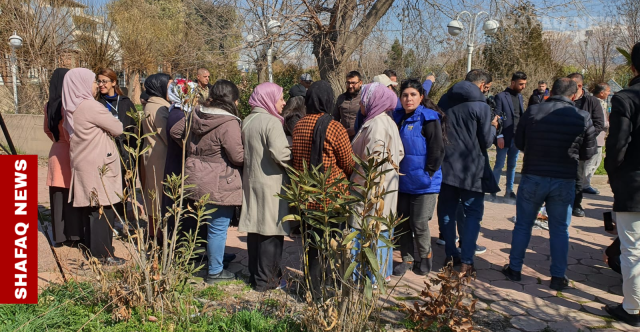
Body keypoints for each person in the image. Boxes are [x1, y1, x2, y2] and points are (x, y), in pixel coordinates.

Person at [501, 78, 597, 291]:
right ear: (574, 95)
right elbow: (588, 153)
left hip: (534, 175)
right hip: (564, 178)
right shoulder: (582, 117)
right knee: (560, 229)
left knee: (523, 225)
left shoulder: (533, 112)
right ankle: (557, 276)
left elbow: (519, 142)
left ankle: (514, 269)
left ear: (551, 91)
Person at [170, 80, 244, 284]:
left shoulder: (195, 112)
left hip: (194, 174)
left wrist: (194, 151)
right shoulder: (229, 123)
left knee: (206, 222)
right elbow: (237, 156)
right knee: (218, 226)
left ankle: (215, 258)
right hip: (219, 177)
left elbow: (175, 132)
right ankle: (215, 271)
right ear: (232, 100)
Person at [292, 80, 354, 296]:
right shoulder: (335, 126)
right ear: (328, 100)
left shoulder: (299, 125)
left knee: (312, 243)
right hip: (332, 195)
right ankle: (333, 285)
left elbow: (296, 160)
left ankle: (313, 287)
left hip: (307, 193)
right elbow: (347, 161)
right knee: (334, 242)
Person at [436, 69, 496, 275]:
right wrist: (494, 127)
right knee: (472, 213)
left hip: (447, 165)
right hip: (472, 167)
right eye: (486, 88)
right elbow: (486, 141)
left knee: (446, 211)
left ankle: (451, 254)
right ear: (481, 85)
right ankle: (468, 260)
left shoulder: (444, 100)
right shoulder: (481, 106)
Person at [63, 68, 125, 265]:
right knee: (102, 209)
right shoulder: (91, 106)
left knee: (92, 209)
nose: (97, 85)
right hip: (99, 165)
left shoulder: (71, 107)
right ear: (82, 84)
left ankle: (93, 249)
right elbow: (118, 128)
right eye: (93, 82)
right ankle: (104, 254)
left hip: (84, 162)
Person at [238, 82, 291, 291]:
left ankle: (255, 275)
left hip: (252, 181)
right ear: (269, 98)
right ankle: (268, 281)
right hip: (272, 183)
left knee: (255, 230)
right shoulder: (271, 122)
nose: (283, 102)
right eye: (280, 98)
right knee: (271, 232)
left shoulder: (248, 120)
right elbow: (281, 154)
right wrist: (297, 157)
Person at [349, 82, 404, 283]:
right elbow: (400, 153)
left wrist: (355, 178)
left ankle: (366, 278)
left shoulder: (376, 125)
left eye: (363, 99)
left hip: (369, 190)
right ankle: (381, 273)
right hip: (385, 188)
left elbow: (372, 160)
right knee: (381, 231)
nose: (360, 104)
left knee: (366, 231)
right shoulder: (387, 121)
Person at [390, 79, 444, 277]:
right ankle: (407, 259)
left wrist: (428, 173)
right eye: (404, 95)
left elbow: (437, 149)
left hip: (425, 183)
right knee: (403, 223)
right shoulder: (397, 118)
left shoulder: (429, 118)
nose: (408, 99)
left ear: (421, 97)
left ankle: (426, 257)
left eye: (413, 95)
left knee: (419, 223)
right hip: (403, 181)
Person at [603, 42, 640, 327]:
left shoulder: (626, 98)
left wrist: (615, 176)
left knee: (633, 249)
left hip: (634, 185)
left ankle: (632, 308)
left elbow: (616, 146)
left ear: (633, 67)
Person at [43, 68, 83, 247]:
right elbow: (71, 132)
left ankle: (58, 237)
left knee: (57, 197)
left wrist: (57, 140)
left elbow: (46, 129)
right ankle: (73, 235)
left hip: (55, 151)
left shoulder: (49, 104)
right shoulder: (68, 105)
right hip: (69, 152)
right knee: (71, 196)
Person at [568, 73, 605, 217]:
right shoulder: (565, 99)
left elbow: (599, 123)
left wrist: (585, 138)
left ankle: (576, 204)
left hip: (581, 147)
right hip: (563, 146)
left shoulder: (591, 101)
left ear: (579, 86)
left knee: (578, 177)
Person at [140, 73, 172, 222]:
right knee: (158, 198)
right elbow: (168, 135)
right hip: (161, 158)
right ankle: (158, 236)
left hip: (154, 155)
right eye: (169, 86)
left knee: (153, 196)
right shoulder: (159, 109)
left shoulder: (151, 105)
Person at [492, 71, 527, 200]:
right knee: (499, 165)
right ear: (513, 82)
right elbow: (497, 116)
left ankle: (509, 190)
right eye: (521, 84)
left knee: (512, 165)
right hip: (504, 137)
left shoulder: (520, 97)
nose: (523, 87)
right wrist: (499, 136)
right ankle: (493, 190)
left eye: (524, 84)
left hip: (516, 137)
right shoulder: (501, 96)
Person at [583, 82, 611, 195]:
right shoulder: (596, 103)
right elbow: (601, 122)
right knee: (591, 162)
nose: (609, 93)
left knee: (594, 161)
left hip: (598, 137)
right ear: (601, 92)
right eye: (608, 91)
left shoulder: (596, 102)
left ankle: (585, 183)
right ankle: (585, 184)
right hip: (596, 137)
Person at [333, 71, 363, 139]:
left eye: (353, 83)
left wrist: (356, 129)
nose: (350, 86)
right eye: (348, 83)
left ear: (360, 83)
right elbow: (335, 118)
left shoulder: (364, 98)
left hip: (360, 137)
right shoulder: (341, 98)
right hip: (343, 138)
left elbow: (369, 120)